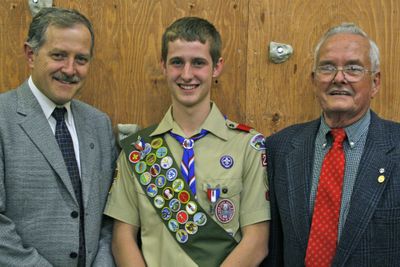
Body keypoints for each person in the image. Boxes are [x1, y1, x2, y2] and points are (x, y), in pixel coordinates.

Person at [104, 17, 270, 267]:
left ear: (216, 67)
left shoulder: (248, 146)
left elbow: (257, 242)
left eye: (198, 63)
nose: (187, 74)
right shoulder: (139, 151)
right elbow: (122, 238)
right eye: (177, 62)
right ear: (163, 66)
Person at [263, 23, 400, 267]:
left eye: (353, 68)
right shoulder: (279, 148)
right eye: (327, 67)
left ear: (375, 83)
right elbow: (273, 251)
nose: (339, 78)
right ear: (314, 80)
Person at [0, 7, 117, 266]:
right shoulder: (2, 118)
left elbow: (110, 217)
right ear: (31, 55)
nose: (70, 69)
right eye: (59, 55)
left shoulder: (99, 124)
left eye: (81, 59)